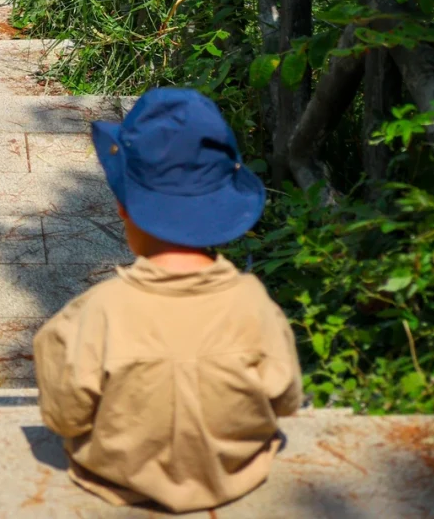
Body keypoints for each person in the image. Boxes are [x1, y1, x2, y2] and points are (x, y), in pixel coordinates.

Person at [33, 87, 302, 513]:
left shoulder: (95, 314)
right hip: (234, 475)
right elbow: (286, 401)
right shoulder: (256, 306)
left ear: (124, 208)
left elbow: (64, 417)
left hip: (116, 477)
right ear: (224, 208)